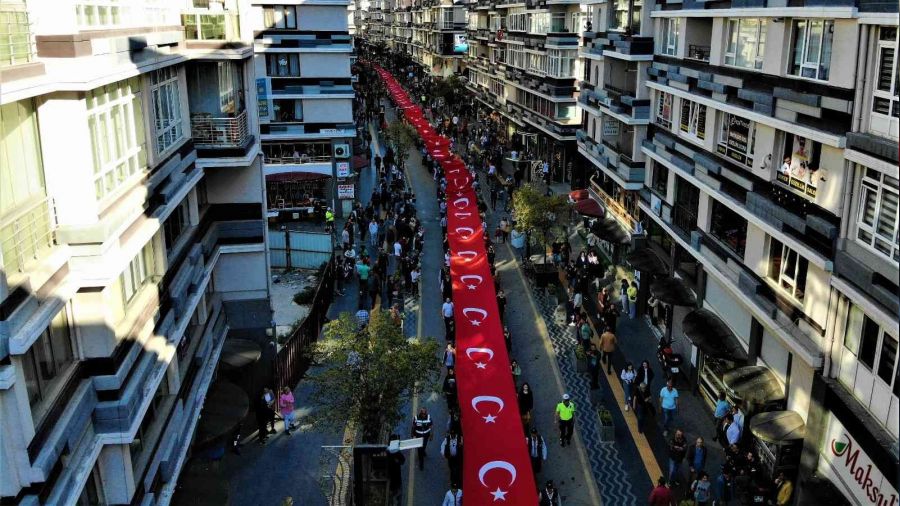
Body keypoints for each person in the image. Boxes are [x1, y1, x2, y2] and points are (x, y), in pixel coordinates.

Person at [387, 435, 405, 505]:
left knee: (397, 494)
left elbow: (403, 460)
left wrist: (398, 462)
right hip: (392, 478)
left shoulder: (396, 452)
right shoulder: (389, 452)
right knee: (394, 494)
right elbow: (403, 460)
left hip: (396, 477)